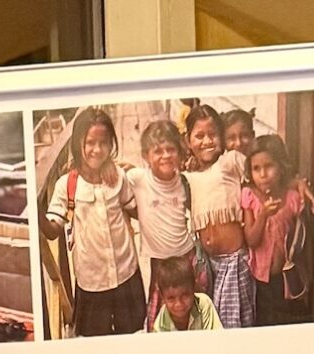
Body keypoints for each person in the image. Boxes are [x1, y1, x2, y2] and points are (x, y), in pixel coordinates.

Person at [43, 108, 142, 338]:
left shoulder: (118, 176)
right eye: (90, 142)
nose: (97, 149)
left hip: (126, 272)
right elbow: (52, 230)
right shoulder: (66, 185)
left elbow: (135, 209)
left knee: (132, 333)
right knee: (96, 339)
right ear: (78, 143)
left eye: (103, 142)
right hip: (92, 281)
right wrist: (37, 215)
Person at [183, 103, 253, 328]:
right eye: (199, 136)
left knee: (234, 325)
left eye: (213, 134)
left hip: (234, 262)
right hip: (208, 265)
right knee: (213, 323)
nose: (207, 141)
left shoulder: (230, 161)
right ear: (187, 141)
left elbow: (261, 174)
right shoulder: (189, 176)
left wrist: (295, 182)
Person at [242, 132, 313, 325]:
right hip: (262, 280)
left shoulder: (292, 198)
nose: (263, 174)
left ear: (281, 167)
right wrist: (263, 215)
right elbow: (251, 240)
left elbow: (302, 239)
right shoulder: (249, 196)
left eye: (269, 166)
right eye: (256, 168)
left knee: (289, 319)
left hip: (288, 277)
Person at [128, 118, 194, 273]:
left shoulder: (185, 181)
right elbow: (114, 182)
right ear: (146, 156)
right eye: (157, 151)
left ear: (179, 152)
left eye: (171, 149)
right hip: (158, 260)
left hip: (186, 254)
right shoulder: (137, 179)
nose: (166, 155)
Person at [148, 254, 220, 332]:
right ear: (162, 297)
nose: (179, 304)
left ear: (193, 289)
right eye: (171, 298)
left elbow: (215, 336)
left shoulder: (204, 305)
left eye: (185, 295)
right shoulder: (161, 323)